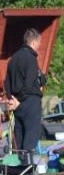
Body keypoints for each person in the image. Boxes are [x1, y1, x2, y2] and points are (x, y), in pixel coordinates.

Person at [4, 28, 46, 165]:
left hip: (18, 104)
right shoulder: (31, 59)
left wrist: (12, 99)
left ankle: (16, 169)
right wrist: (19, 100)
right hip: (30, 102)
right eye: (39, 42)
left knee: (19, 136)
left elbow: (7, 82)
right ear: (33, 42)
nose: (40, 45)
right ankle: (27, 171)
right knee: (30, 138)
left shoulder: (13, 59)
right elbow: (29, 85)